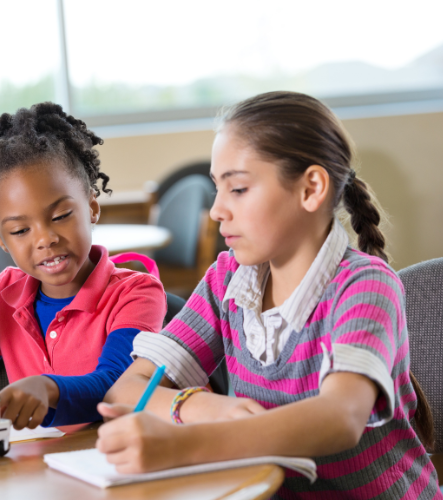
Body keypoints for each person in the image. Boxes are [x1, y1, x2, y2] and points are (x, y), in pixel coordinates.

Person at [97, 91, 441, 498]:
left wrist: (184, 445)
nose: (216, 211)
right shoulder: (227, 281)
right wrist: (204, 407)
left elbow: (340, 417)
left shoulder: (364, 285)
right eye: (216, 190)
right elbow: (129, 387)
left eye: (238, 189)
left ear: (311, 188)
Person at [0, 102, 166, 430]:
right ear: (0, 239)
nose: (45, 239)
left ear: (92, 208)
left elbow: (118, 385)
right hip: (34, 471)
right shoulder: (7, 295)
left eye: (61, 216)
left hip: (118, 459)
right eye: (21, 230)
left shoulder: (137, 293)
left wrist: (47, 388)